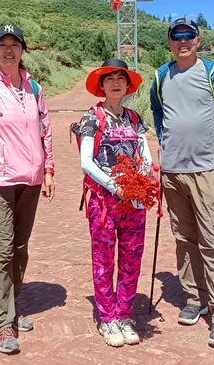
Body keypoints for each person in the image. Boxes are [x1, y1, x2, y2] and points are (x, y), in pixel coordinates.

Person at [149, 17, 214, 348]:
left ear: (198, 40)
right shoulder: (160, 77)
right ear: (170, 42)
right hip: (173, 172)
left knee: (212, 242)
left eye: (189, 35)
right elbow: (159, 116)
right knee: (184, 238)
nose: (183, 41)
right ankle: (194, 297)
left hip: (206, 169)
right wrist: (167, 146)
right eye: (177, 36)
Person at [0, 24, 55, 354]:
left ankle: (12, 305)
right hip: (0, 182)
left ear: (22, 50)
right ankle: (2, 324)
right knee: (3, 251)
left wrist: (48, 169)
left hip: (30, 181)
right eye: (2, 44)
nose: (8, 49)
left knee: (20, 247)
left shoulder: (33, 87)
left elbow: (46, 130)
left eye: (14, 44)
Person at [76, 59, 152, 347]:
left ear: (127, 86)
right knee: (104, 259)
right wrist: (114, 185)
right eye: (110, 79)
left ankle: (124, 314)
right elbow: (86, 161)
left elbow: (145, 155)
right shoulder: (92, 118)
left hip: (134, 199)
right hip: (103, 201)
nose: (116, 83)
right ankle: (107, 318)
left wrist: (141, 181)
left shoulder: (134, 118)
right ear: (102, 86)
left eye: (121, 78)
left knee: (132, 259)